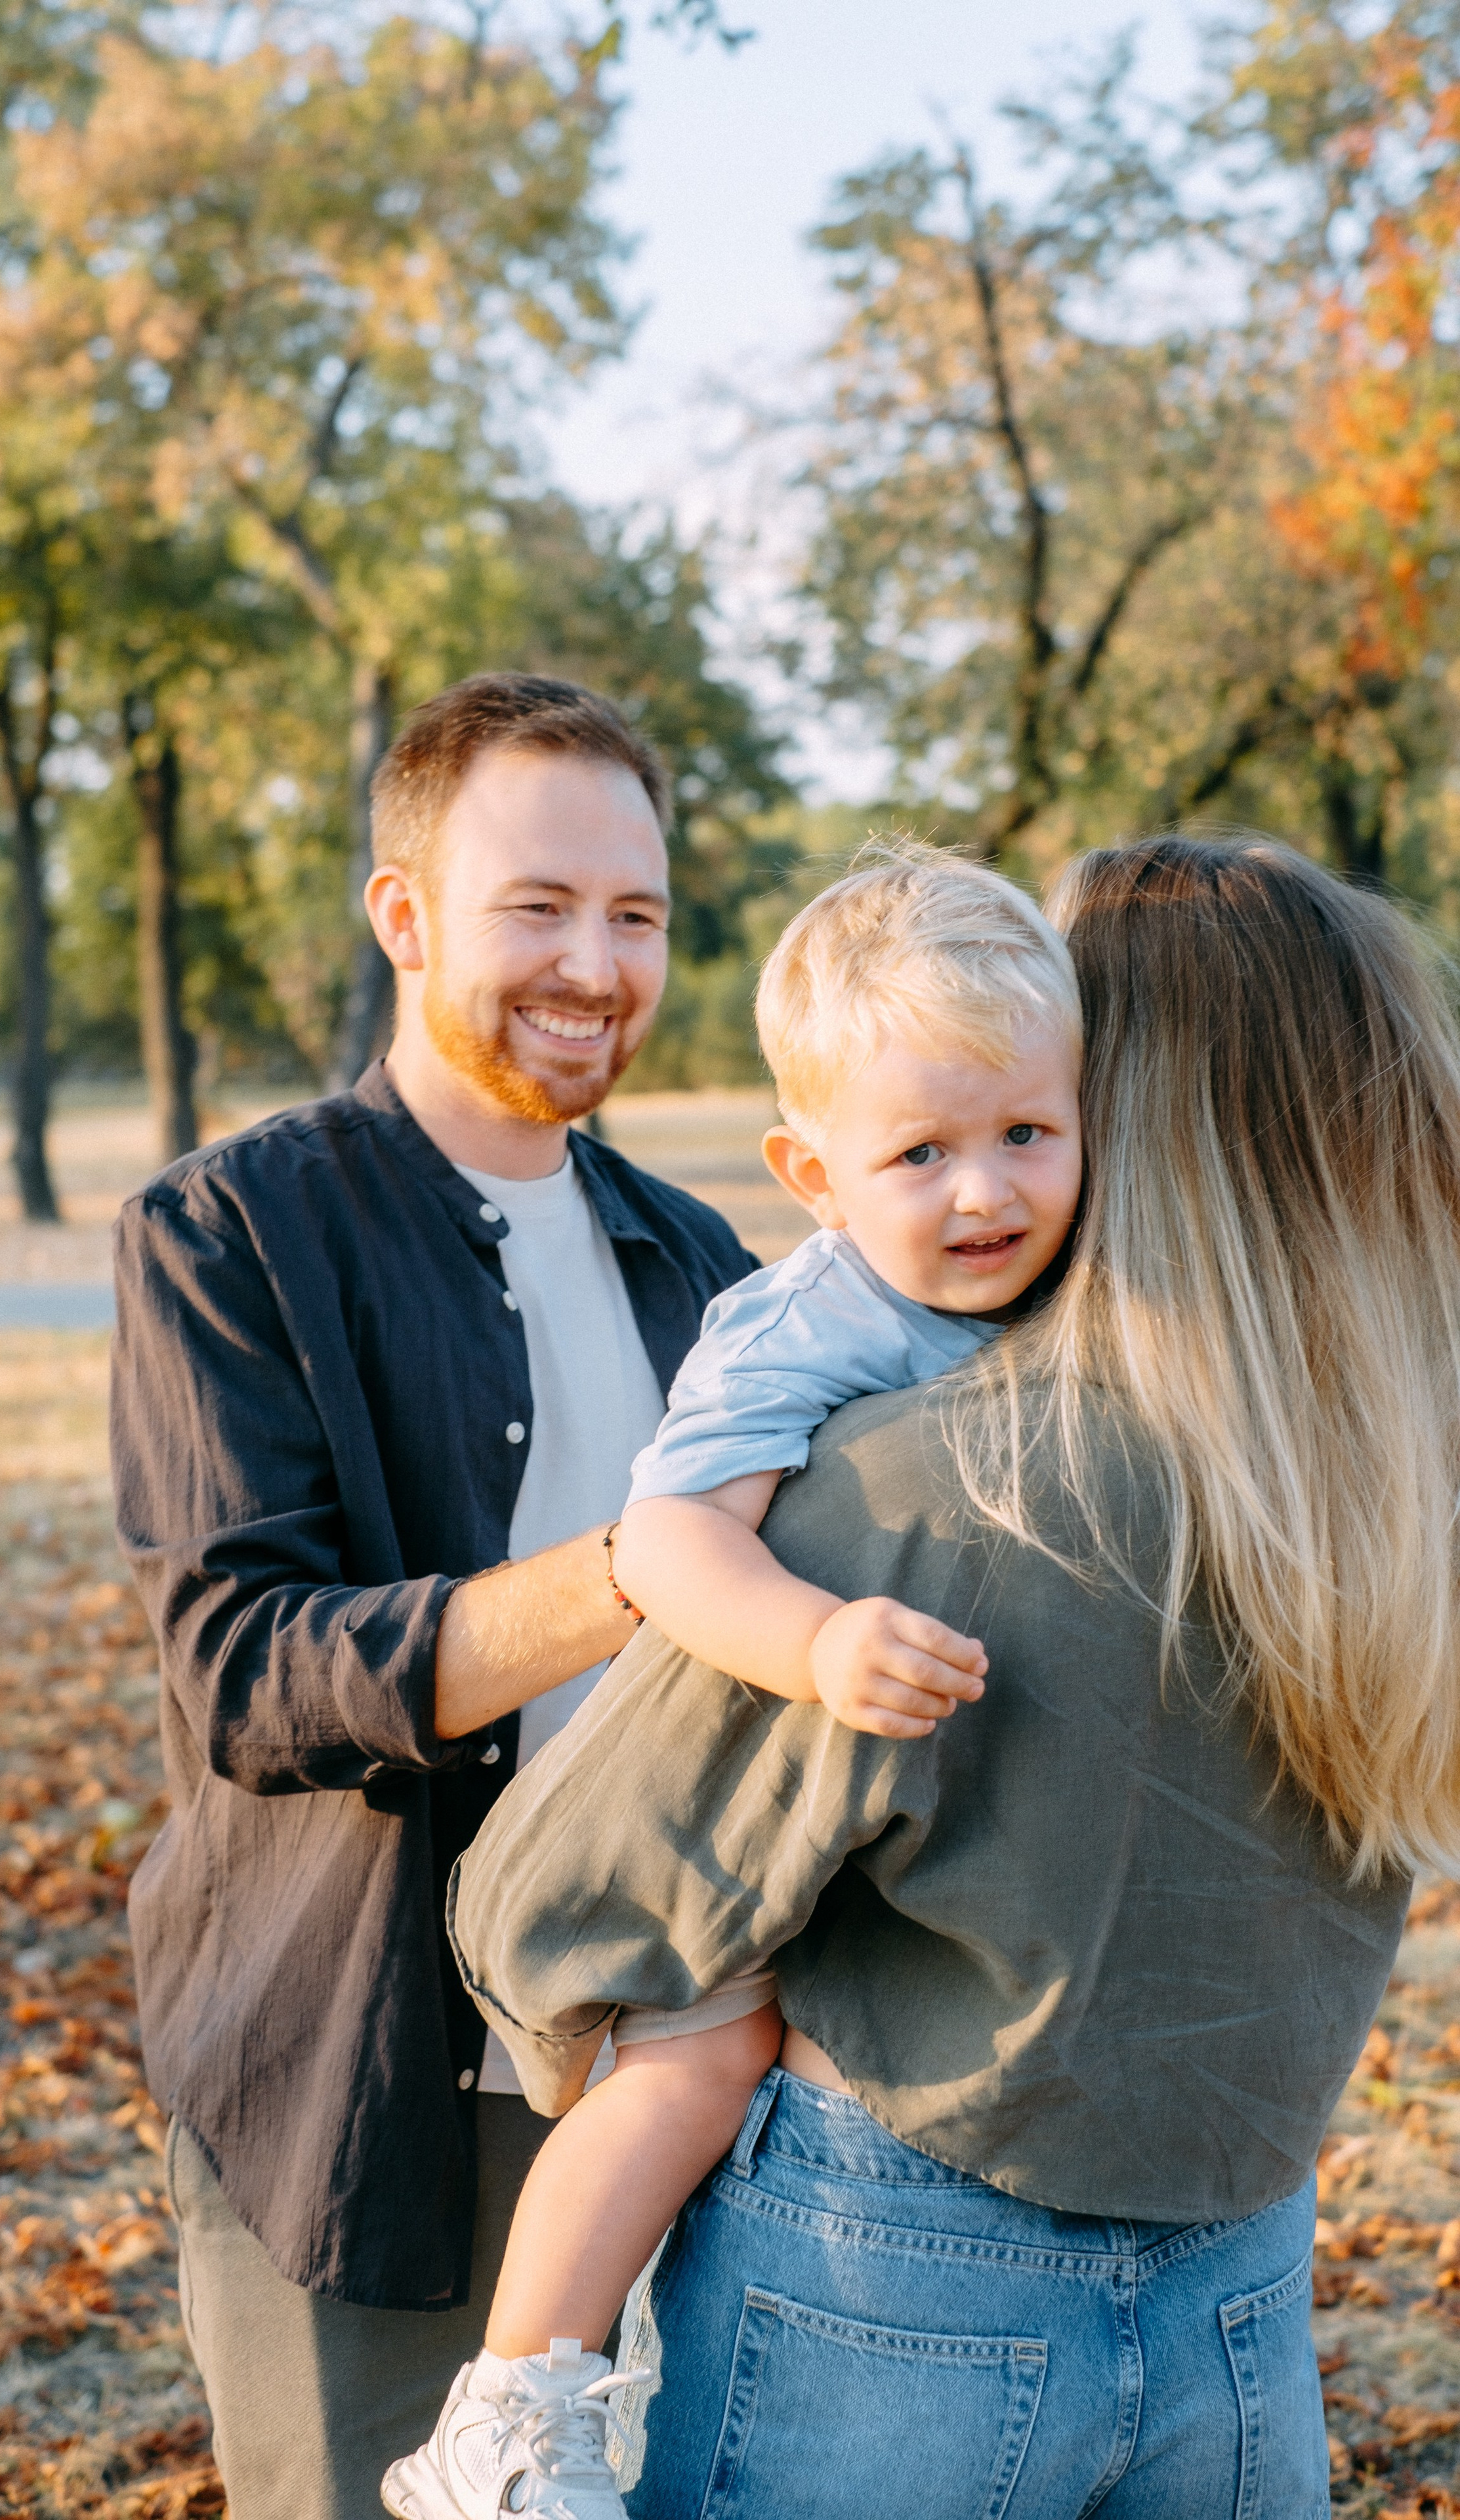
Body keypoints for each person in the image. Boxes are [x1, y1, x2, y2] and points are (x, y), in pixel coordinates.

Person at [451, 835, 1458, 2516]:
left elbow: (577, 1902)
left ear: (1107, 1104)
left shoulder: (929, 1485)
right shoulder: (1388, 1489)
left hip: (894, 2283)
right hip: (1243, 2280)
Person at [109, 673, 755, 2519]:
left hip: (647, 2089)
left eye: (633, 914)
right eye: (536, 906)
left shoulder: (699, 1260)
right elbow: (246, 1675)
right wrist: (628, 1578)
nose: (595, 963)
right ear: (403, 916)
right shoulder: (226, 1235)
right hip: (349, 2091)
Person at [383, 845, 1084, 2520]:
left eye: (1024, 1136)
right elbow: (671, 1543)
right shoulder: (805, 1323)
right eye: (918, 1153)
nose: (980, 1193)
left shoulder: (1062, 1282)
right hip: (720, 1792)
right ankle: (512, 2399)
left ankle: (624, 2375)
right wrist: (817, 1638)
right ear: (813, 1172)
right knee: (698, 2065)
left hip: (869, 1824)